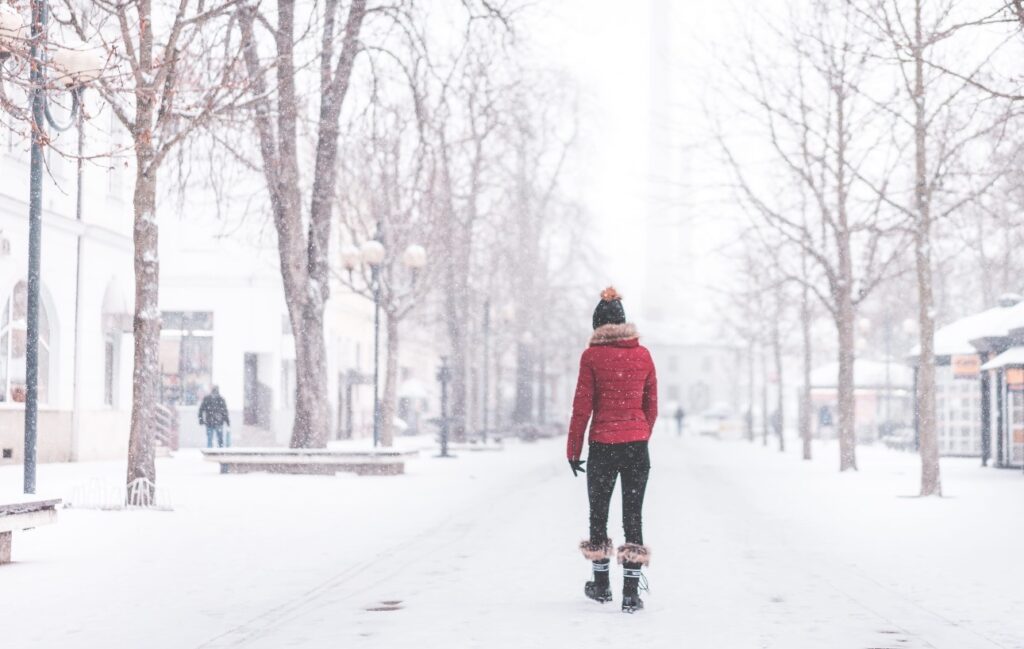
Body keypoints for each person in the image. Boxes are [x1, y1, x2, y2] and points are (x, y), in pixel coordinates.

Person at [567, 287, 657, 613]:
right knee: (633, 516)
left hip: (603, 446)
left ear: (597, 325)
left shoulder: (591, 357)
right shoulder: (643, 355)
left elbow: (582, 408)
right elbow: (652, 406)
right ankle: (631, 593)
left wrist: (573, 450)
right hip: (636, 447)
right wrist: (640, 434)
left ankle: (601, 585)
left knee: (598, 514)